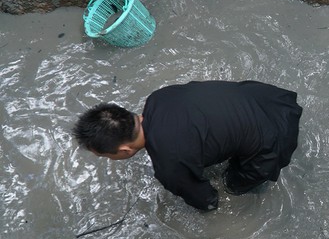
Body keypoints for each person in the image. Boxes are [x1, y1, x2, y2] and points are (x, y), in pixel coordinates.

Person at [73, 80, 303, 211]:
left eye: (105, 156)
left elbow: (206, 200)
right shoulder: (159, 97)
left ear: (124, 150)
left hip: (274, 139)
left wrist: (217, 199)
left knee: (234, 185)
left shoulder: (168, 165)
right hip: (271, 100)